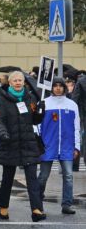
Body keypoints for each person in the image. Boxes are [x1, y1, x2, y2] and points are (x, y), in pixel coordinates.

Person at [0, 71, 46, 222]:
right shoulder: (2, 99)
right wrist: (3, 133)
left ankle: (37, 210)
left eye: (20, 80)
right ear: (9, 83)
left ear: (24, 82)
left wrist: (41, 110)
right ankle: (3, 207)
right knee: (7, 179)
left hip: (28, 143)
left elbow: (35, 120)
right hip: (10, 143)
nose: (18, 83)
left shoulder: (30, 97)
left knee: (32, 178)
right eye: (15, 80)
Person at [38, 78, 80, 215]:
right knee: (43, 176)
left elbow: (76, 127)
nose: (57, 88)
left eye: (60, 86)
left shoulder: (72, 104)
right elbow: (37, 125)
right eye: (55, 86)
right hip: (47, 145)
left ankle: (67, 204)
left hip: (67, 146)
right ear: (51, 88)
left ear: (64, 88)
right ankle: (37, 202)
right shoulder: (44, 103)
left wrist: (77, 147)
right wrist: (38, 143)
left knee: (68, 175)